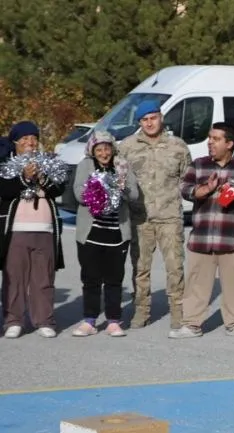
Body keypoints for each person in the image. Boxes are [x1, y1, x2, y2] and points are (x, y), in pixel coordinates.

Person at [169, 123, 234, 339]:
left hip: (232, 238)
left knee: (232, 285)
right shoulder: (198, 165)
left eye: (216, 139)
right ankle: (191, 325)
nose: (210, 142)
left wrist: (232, 191)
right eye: (209, 138)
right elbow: (186, 190)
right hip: (202, 237)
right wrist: (206, 189)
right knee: (196, 284)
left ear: (229, 144)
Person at [118, 100, 191, 331]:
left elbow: (187, 180)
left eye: (153, 118)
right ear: (139, 122)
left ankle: (178, 312)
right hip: (140, 217)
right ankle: (141, 311)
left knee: (175, 267)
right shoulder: (127, 147)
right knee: (140, 268)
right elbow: (119, 180)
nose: (149, 123)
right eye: (144, 120)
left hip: (169, 216)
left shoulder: (177, 146)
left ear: (161, 118)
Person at [0, 121, 66, 339]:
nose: (30, 142)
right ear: (15, 142)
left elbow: (59, 187)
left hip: (45, 230)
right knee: (14, 278)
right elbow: (5, 190)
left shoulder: (48, 162)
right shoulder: (5, 164)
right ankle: (13, 320)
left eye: (34, 138)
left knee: (43, 278)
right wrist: (25, 177)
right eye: (25, 138)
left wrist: (42, 177)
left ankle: (44, 320)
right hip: (16, 230)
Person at [71, 129, 140, 337]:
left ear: (112, 148)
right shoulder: (85, 165)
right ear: (92, 151)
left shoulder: (122, 165)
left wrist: (121, 187)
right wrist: (98, 190)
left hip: (116, 234)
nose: (104, 153)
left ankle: (113, 320)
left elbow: (134, 194)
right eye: (99, 149)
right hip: (91, 234)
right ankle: (89, 320)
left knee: (114, 279)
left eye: (107, 148)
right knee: (91, 279)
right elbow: (79, 193)